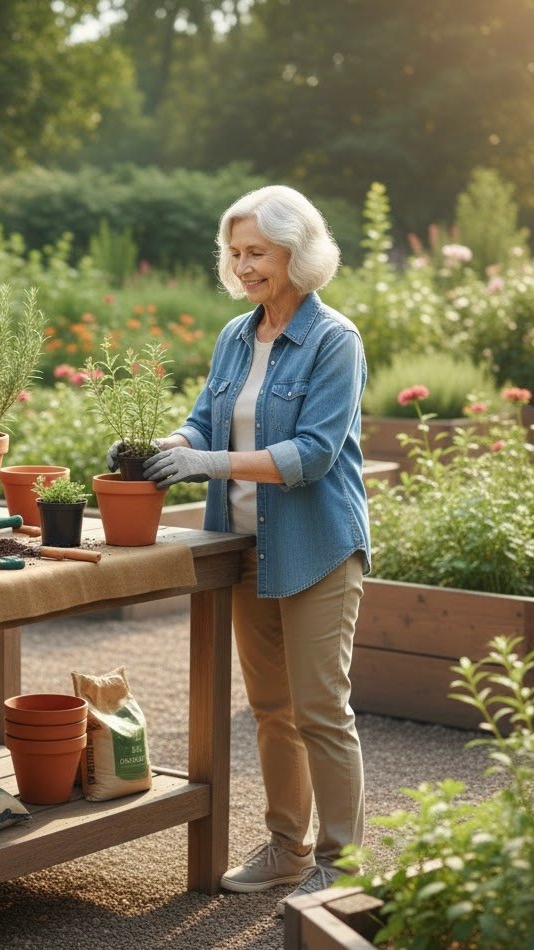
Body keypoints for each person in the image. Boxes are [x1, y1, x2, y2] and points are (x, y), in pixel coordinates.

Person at [108, 185, 370, 917]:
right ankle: (287, 852)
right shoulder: (234, 336)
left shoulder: (333, 341)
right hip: (245, 548)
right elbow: (201, 423)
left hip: (318, 547)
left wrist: (209, 466)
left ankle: (342, 869)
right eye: (236, 252)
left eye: (258, 252)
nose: (244, 265)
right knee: (271, 708)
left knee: (321, 709)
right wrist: (162, 448)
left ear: (297, 252)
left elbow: (313, 454)